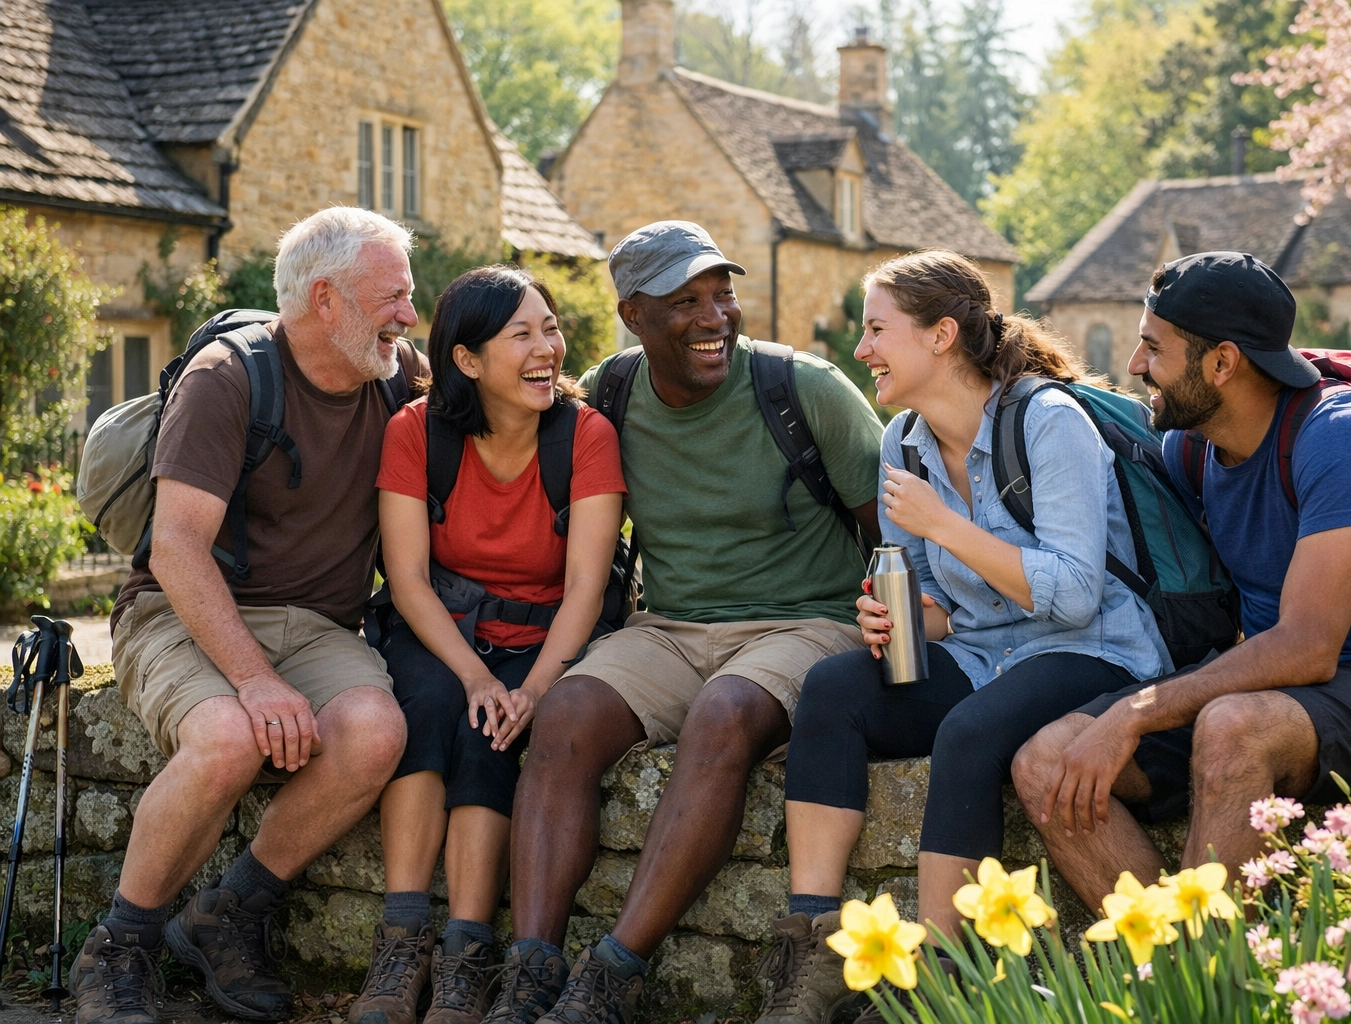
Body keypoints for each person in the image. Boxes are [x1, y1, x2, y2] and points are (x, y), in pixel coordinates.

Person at [479, 221, 884, 1024]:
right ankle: (529, 974)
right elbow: (510, 431)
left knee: (724, 714)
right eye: (686, 302)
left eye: (722, 294)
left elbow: (897, 533)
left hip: (807, 622)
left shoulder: (803, 390)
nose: (714, 317)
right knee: (561, 717)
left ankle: (614, 976)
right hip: (669, 627)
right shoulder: (612, 393)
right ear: (634, 315)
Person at [755, 249, 1172, 1024]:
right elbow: (946, 607)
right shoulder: (902, 443)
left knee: (971, 730)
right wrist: (896, 618)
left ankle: (941, 978)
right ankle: (812, 948)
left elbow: (1076, 597)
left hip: (1093, 651)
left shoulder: (1048, 422)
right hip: (986, 651)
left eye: (878, 328)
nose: (861, 348)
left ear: (942, 334)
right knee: (834, 689)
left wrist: (942, 522)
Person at [1011, 251, 1351, 909]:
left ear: (1222, 363)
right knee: (1047, 762)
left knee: (1232, 727)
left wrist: (1135, 712)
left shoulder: (1343, 437)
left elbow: (1307, 647)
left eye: (1154, 347)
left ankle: (1216, 978)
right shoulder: (1193, 450)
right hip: (1277, 693)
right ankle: (1181, 977)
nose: (1134, 366)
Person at [72, 208, 428, 1024]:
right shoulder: (227, 378)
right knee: (229, 738)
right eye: (395, 297)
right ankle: (119, 947)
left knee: (375, 734)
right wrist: (257, 683)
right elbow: (178, 550)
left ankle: (228, 916)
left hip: (321, 628)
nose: (410, 316)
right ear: (325, 298)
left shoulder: (396, 374)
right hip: (183, 610)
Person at [348, 267, 625, 1024]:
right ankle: (401, 944)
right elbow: (405, 580)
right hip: (441, 628)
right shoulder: (415, 432)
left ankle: (466, 956)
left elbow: (586, 591)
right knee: (432, 707)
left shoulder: (586, 436)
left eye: (552, 328)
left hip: (549, 637)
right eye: (522, 335)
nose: (549, 350)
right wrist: (474, 675)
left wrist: (531, 689)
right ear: (467, 359)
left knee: (495, 735)